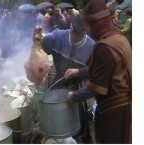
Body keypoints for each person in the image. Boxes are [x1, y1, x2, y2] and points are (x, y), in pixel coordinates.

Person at [65, 0, 132, 143]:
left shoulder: (105, 47)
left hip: (115, 113)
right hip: (124, 108)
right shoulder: (119, 38)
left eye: (88, 26)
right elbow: (104, 70)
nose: (87, 31)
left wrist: (73, 96)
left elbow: (95, 88)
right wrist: (78, 72)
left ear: (98, 23)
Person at [34, 14, 96, 142]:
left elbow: (96, 72)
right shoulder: (58, 36)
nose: (73, 36)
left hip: (78, 89)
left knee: (77, 125)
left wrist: (79, 72)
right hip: (58, 82)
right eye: (72, 31)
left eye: (77, 33)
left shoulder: (92, 47)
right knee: (53, 121)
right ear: (70, 27)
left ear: (85, 31)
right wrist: (37, 37)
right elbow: (41, 44)